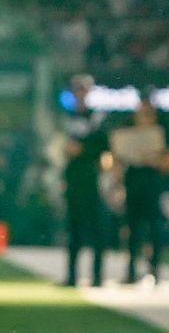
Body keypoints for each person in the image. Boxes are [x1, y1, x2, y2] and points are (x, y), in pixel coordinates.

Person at [57, 74, 115, 288]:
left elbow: (105, 146)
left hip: (93, 177)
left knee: (97, 228)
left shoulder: (98, 117)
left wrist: (83, 150)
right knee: (74, 228)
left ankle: (98, 275)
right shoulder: (67, 117)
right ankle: (72, 275)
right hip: (73, 177)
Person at [116, 97, 169, 288]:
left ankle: (154, 269)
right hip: (133, 183)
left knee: (154, 228)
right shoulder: (127, 129)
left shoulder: (163, 132)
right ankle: (131, 269)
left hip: (152, 184)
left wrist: (156, 160)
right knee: (132, 228)